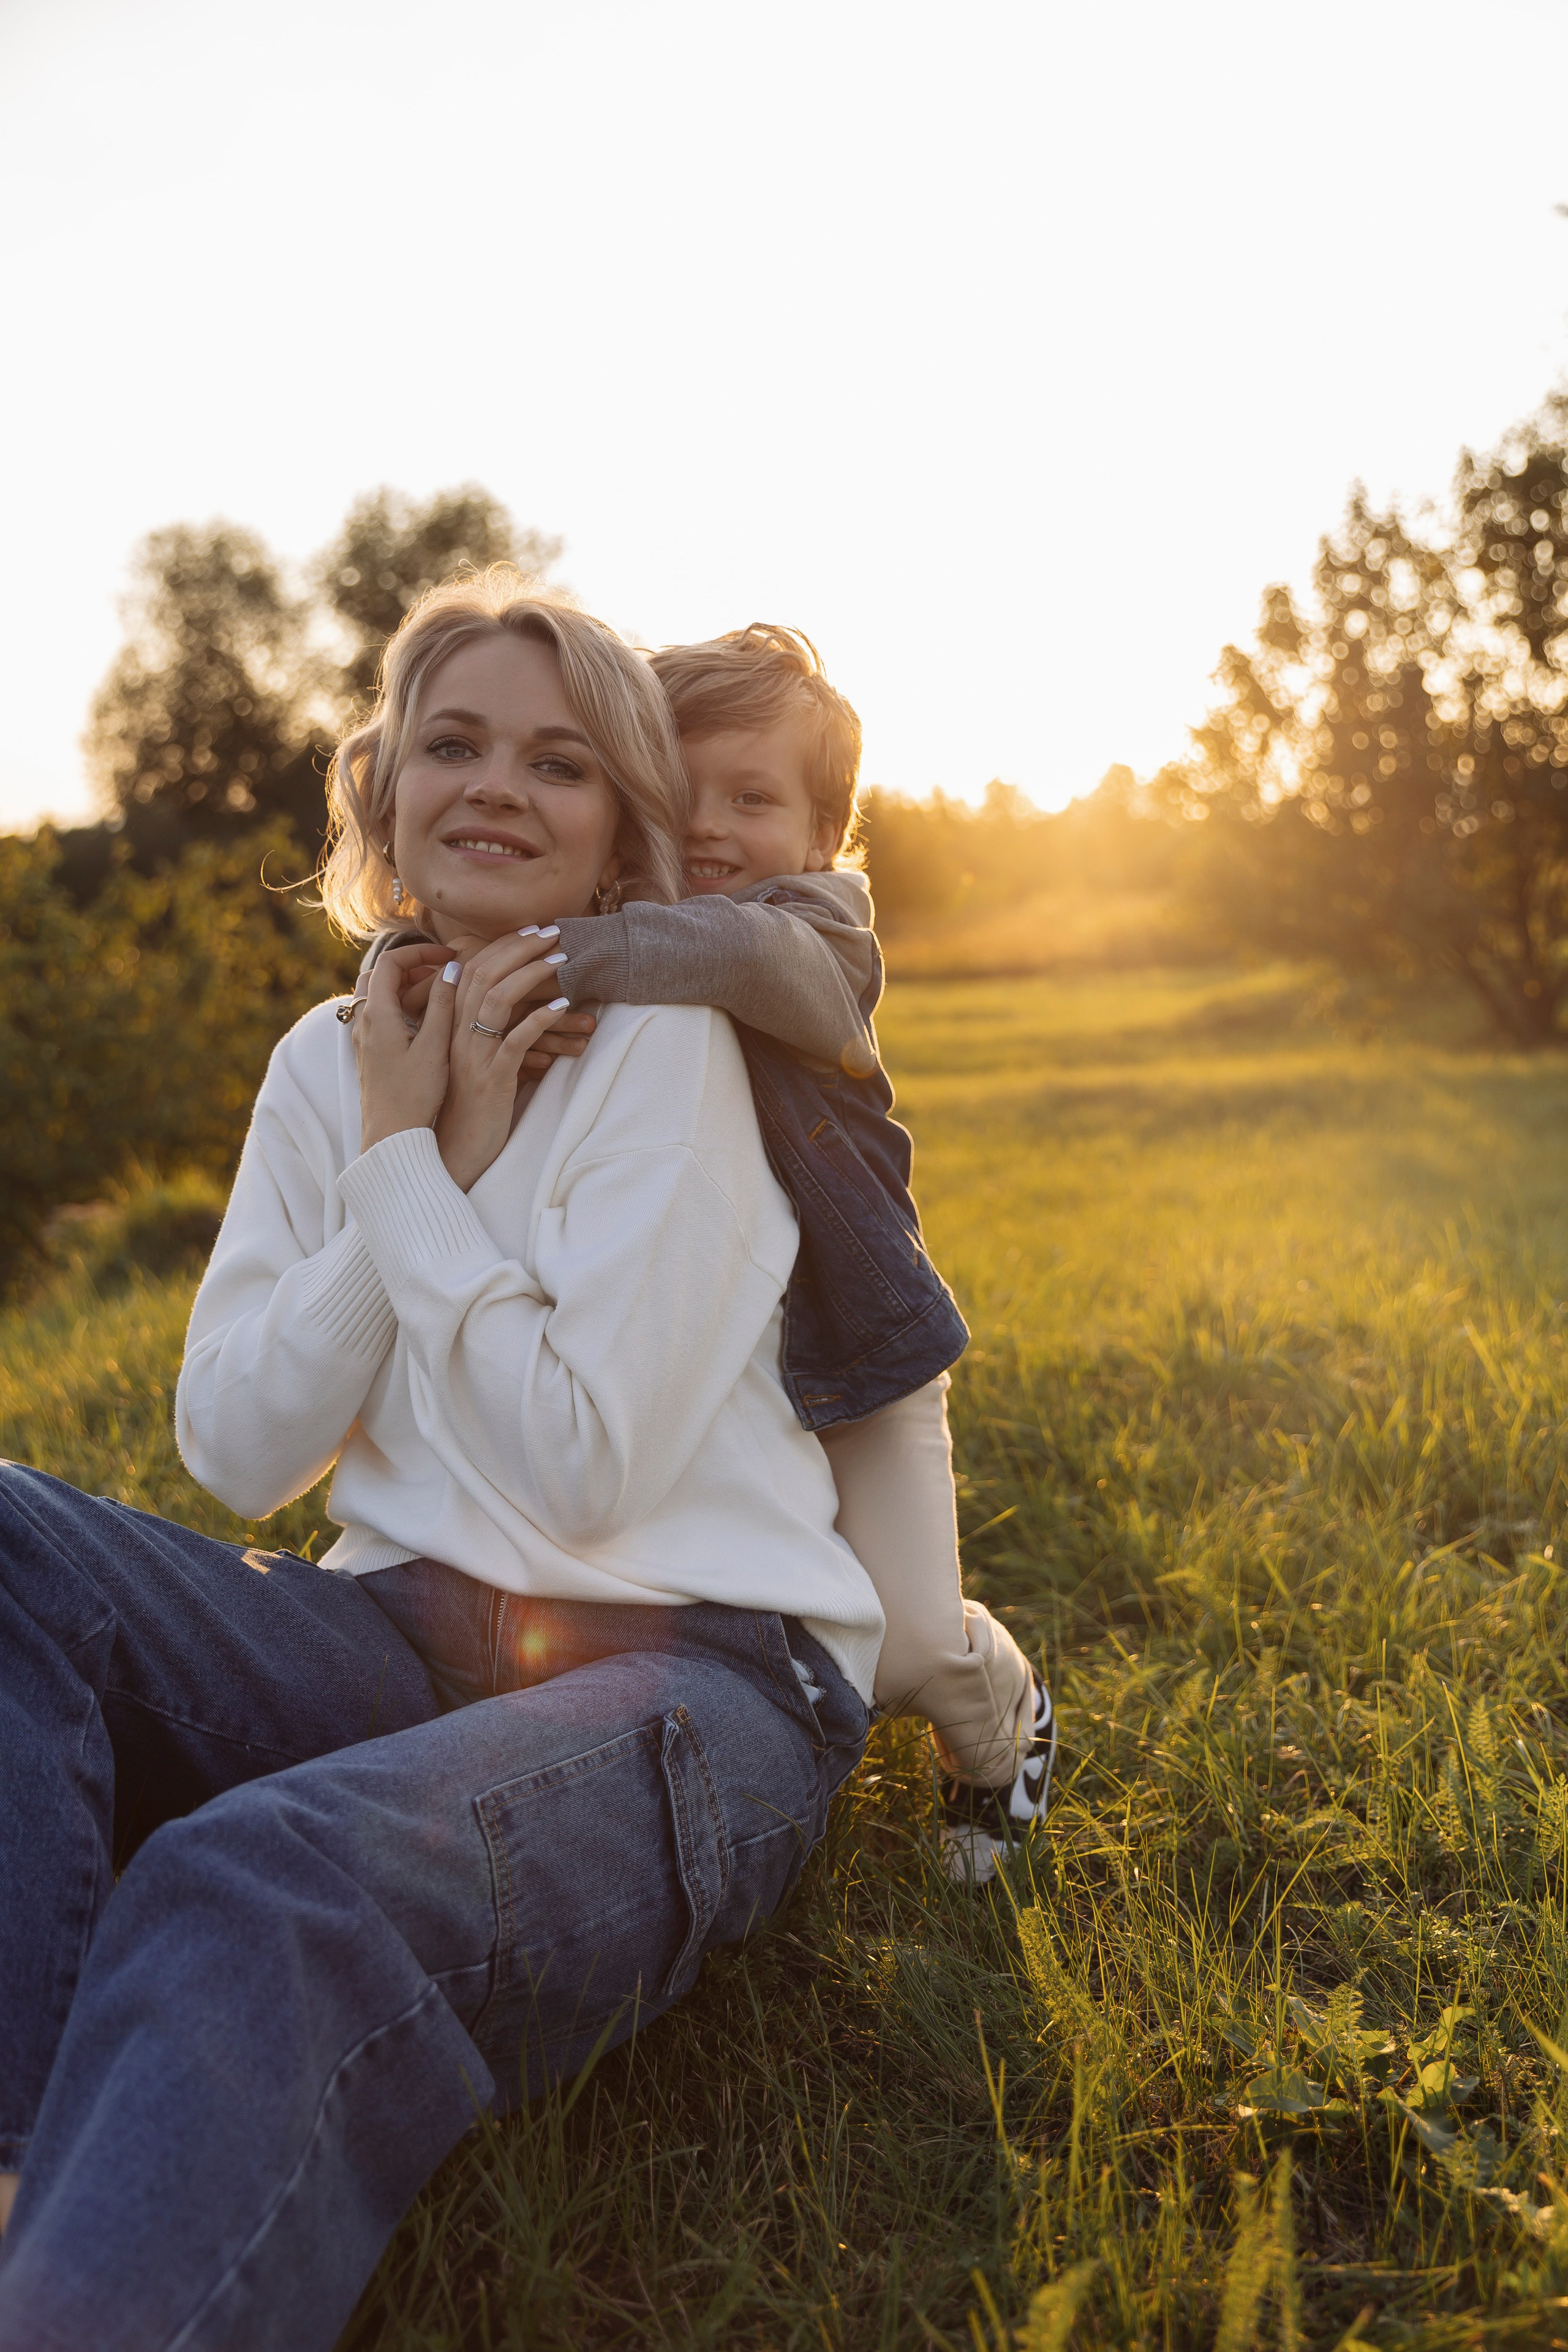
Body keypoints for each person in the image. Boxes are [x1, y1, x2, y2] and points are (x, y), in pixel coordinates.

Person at [0, 573, 882, 2352]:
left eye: (560, 765)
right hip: (399, 1632)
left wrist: (418, 1169)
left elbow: (582, 1478)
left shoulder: (674, 1048)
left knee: (262, 1885)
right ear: (383, 786)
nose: (495, 787)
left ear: (629, 832)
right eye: (453, 743)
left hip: (701, 1667)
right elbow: (238, 1446)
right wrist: (415, 1128)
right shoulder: (330, 1062)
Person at [515, 626, 1057, 1883]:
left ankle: (1004, 1717)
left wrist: (540, 961)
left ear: (822, 839)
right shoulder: (623, 920)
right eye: (678, 790)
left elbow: (738, 955)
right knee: (761, 1606)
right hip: (706, 1346)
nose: (706, 828)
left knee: (907, 1639)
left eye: (750, 799)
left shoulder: (816, 934)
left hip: (851, 1339)